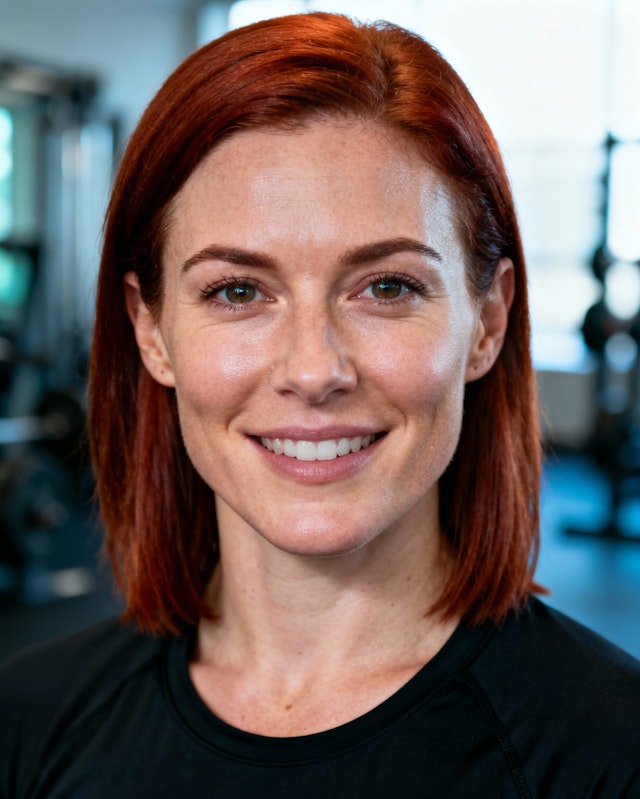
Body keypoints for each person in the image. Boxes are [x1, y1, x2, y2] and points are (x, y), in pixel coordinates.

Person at [1, 12, 639, 798]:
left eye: (387, 286)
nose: (313, 369)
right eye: (238, 291)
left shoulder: (610, 753)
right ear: (152, 330)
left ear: (488, 322)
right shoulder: (29, 722)